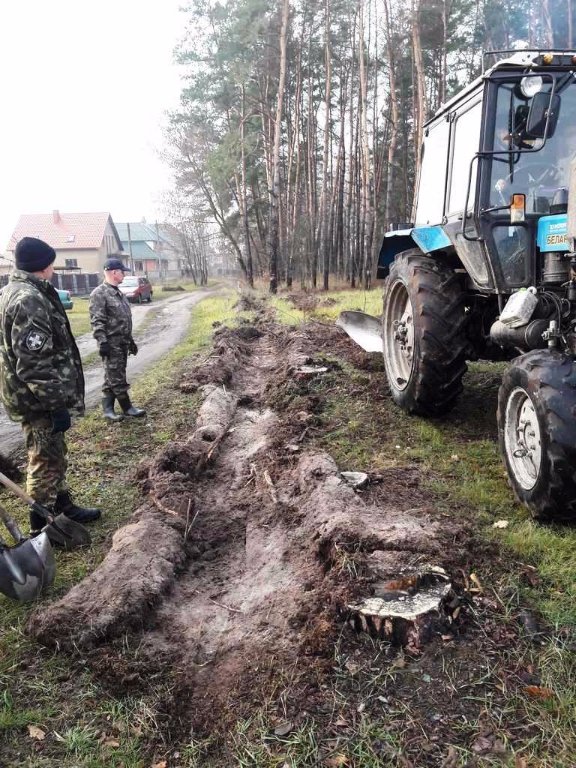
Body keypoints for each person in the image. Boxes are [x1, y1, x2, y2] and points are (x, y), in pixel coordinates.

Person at [0, 237, 101, 536]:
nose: (54, 267)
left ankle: (62, 504)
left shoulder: (13, 290)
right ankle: (43, 525)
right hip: (36, 399)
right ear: (43, 265)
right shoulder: (28, 299)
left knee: (54, 451)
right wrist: (55, 404)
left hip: (31, 395)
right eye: (52, 262)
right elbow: (33, 364)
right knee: (44, 457)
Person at [89, 257, 146, 420]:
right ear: (114, 272)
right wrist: (103, 342)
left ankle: (107, 410)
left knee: (111, 376)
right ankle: (127, 407)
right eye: (122, 272)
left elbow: (124, 319)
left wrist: (131, 340)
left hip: (122, 342)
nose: (124, 275)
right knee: (117, 377)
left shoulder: (119, 293)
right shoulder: (99, 294)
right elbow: (97, 320)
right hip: (111, 344)